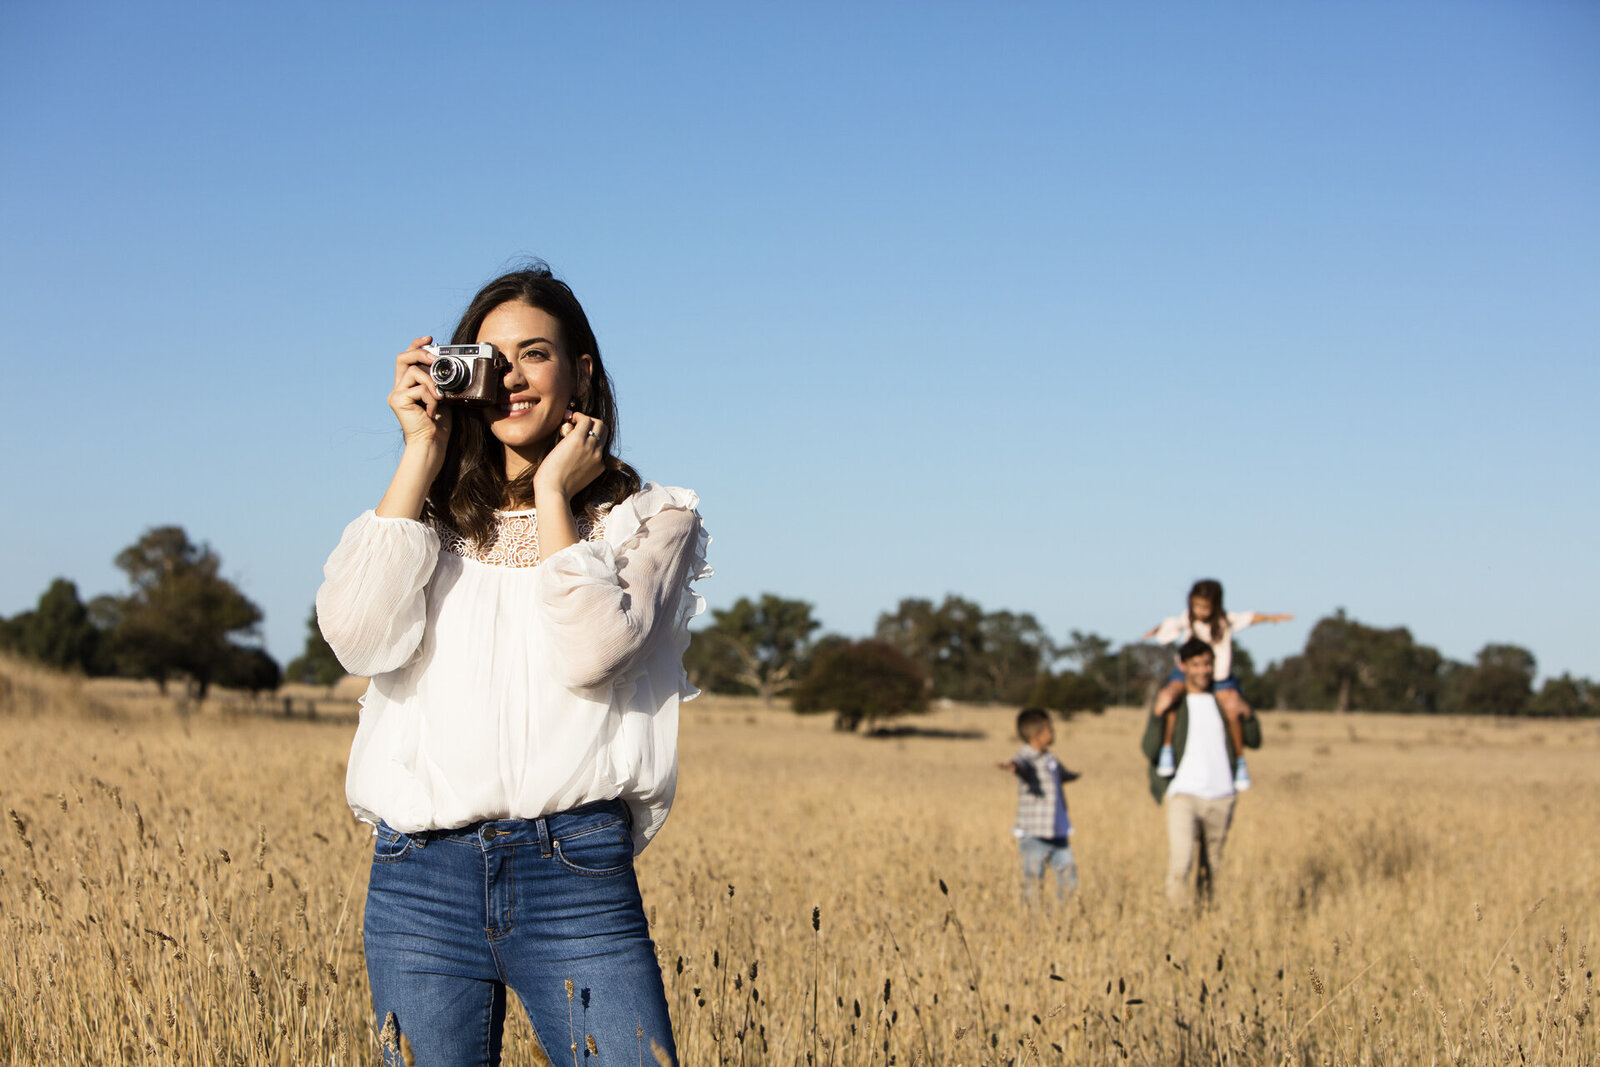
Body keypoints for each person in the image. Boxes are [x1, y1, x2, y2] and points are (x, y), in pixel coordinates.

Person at [316, 263, 711, 1066]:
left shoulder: (649, 520)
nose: (510, 378)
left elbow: (590, 650)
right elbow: (357, 638)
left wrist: (558, 495)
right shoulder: (427, 517)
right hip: (418, 875)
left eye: (534, 353)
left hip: (572, 870)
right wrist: (421, 450)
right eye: (490, 358)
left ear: (582, 370)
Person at [1141, 638, 1261, 907]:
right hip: (1183, 794)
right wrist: (1158, 714)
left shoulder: (1226, 699)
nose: (1203, 670)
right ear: (1183, 666)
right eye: (1196, 664)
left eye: (1208, 664)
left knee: (1213, 867)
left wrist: (1247, 713)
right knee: (1181, 863)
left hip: (1222, 795)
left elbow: (1254, 740)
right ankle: (1177, 922)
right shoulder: (1174, 702)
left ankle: (1206, 920)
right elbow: (1149, 749)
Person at [1142, 579, 1290, 789]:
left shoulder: (1225, 621)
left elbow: (1249, 617)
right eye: (1197, 606)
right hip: (1184, 675)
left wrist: (1272, 618)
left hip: (1220, 677)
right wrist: (1155, 631)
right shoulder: (1188, 619)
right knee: (1170, 698)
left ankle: (1239, 762)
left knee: (1232, 708)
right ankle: (1167, 749)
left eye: (1205, 606)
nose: (1200, 611)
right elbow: (1171, 624)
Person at [999, 708, 1080, 902]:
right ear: (1036, 735)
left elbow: (1062, 774)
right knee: (1034, 882)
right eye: (1050, 730)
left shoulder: (1050, 758)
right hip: (1034, 834)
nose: (1053, 733)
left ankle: (1064, 916)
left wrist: (1074, 775)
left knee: (1070, 877)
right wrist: (1013, 767)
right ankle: (1032, 920)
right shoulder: (1026, 757)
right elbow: (1021, 766)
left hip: (1058, 832)